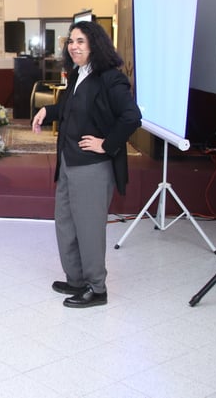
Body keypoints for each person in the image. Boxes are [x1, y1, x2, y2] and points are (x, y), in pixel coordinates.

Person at [32, 18, 141, 308]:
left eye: (81, 41)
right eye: (71, 41)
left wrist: (106, 144)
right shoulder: (79, 73)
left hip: (92, 167)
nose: (74, 46)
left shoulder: (110, 77)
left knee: (89, 228)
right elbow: (72, 108)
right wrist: (47, 110)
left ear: (95, 44)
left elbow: (132, 117)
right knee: (66, 223)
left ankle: (97, 288)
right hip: (68, 162)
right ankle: (76, 279)